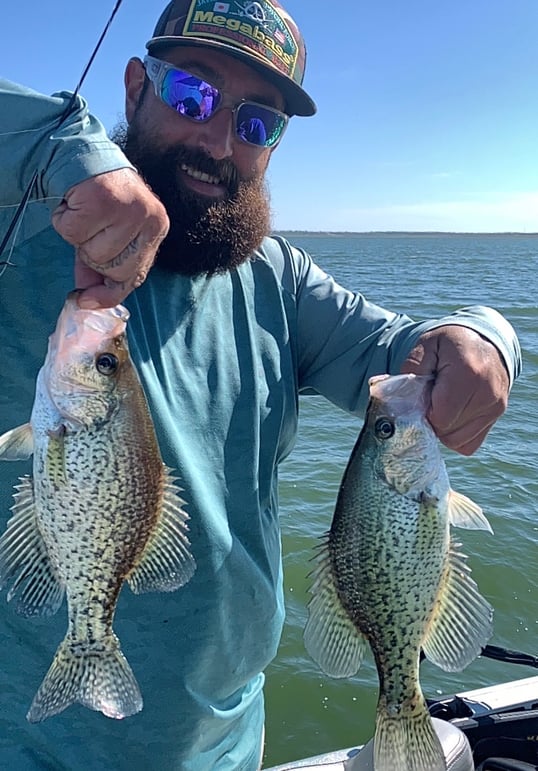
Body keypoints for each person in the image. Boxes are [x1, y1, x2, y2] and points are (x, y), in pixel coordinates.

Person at [0, 0, 521, 769]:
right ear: (135, 86)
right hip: (32, 746)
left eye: (257, 124)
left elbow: (408, 352)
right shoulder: (24, 227)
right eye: (192, 96)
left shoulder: (276, 279)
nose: (217, 140)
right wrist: (67, 150)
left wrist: (487, 337)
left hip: (229, 743)